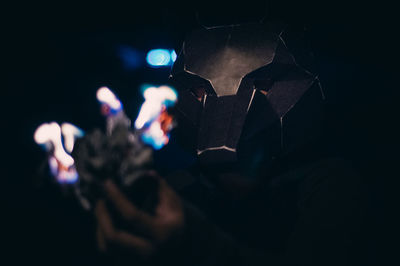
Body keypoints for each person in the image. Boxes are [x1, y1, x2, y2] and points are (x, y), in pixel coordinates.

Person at [78, 22, 369, 266]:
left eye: (262, 85)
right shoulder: (173, 190)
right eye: (200, 91)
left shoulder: (328, 186)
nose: (227, 110)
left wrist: (196, 244)